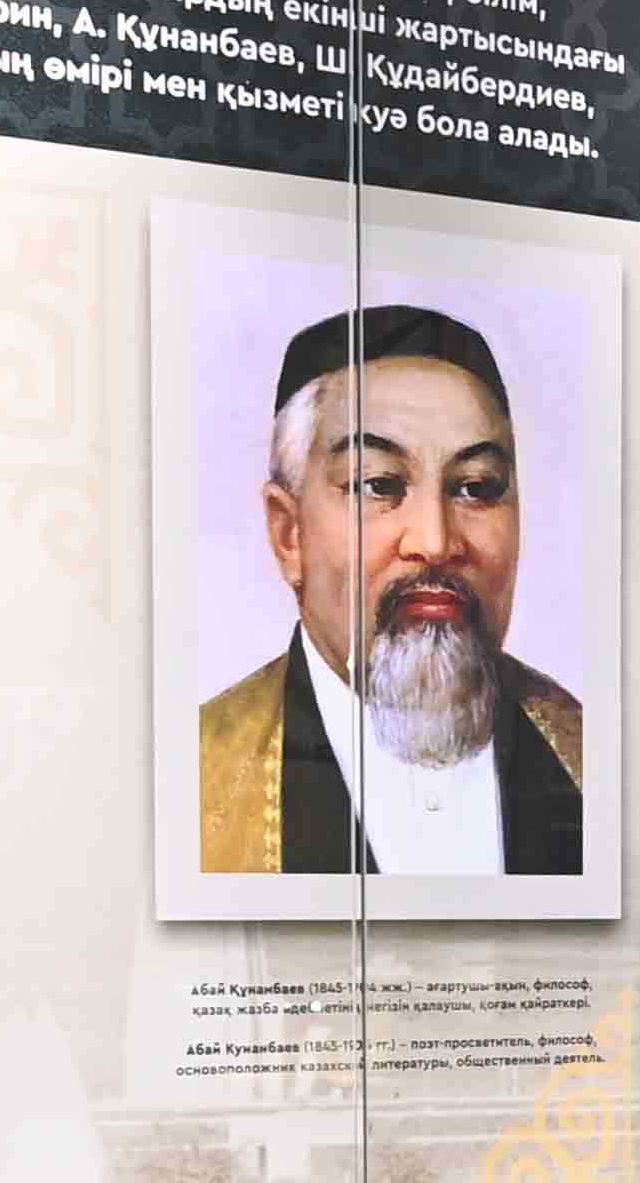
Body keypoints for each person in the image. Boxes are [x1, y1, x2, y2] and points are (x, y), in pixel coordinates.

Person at [197, 303, 584, 877]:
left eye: (477, 488)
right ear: (289, 533)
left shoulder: (585, 753)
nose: (435, 541)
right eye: (378, 484)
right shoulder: (198, 781)